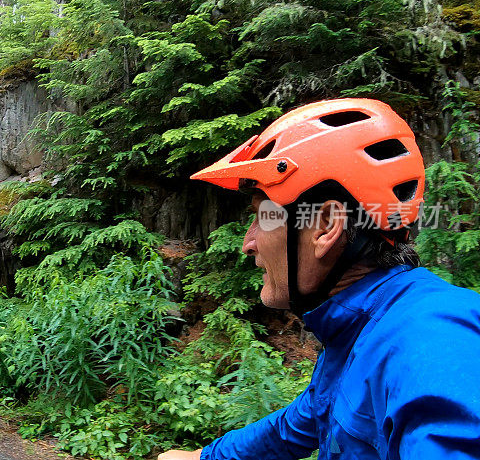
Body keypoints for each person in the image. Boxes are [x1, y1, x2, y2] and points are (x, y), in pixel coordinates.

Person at [158, 99, 480, 460]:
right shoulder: (357, 333)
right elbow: (295, 425)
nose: (248, 244)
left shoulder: (431, 339)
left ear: (326, 226)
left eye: (262, 217)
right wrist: (204, 458)